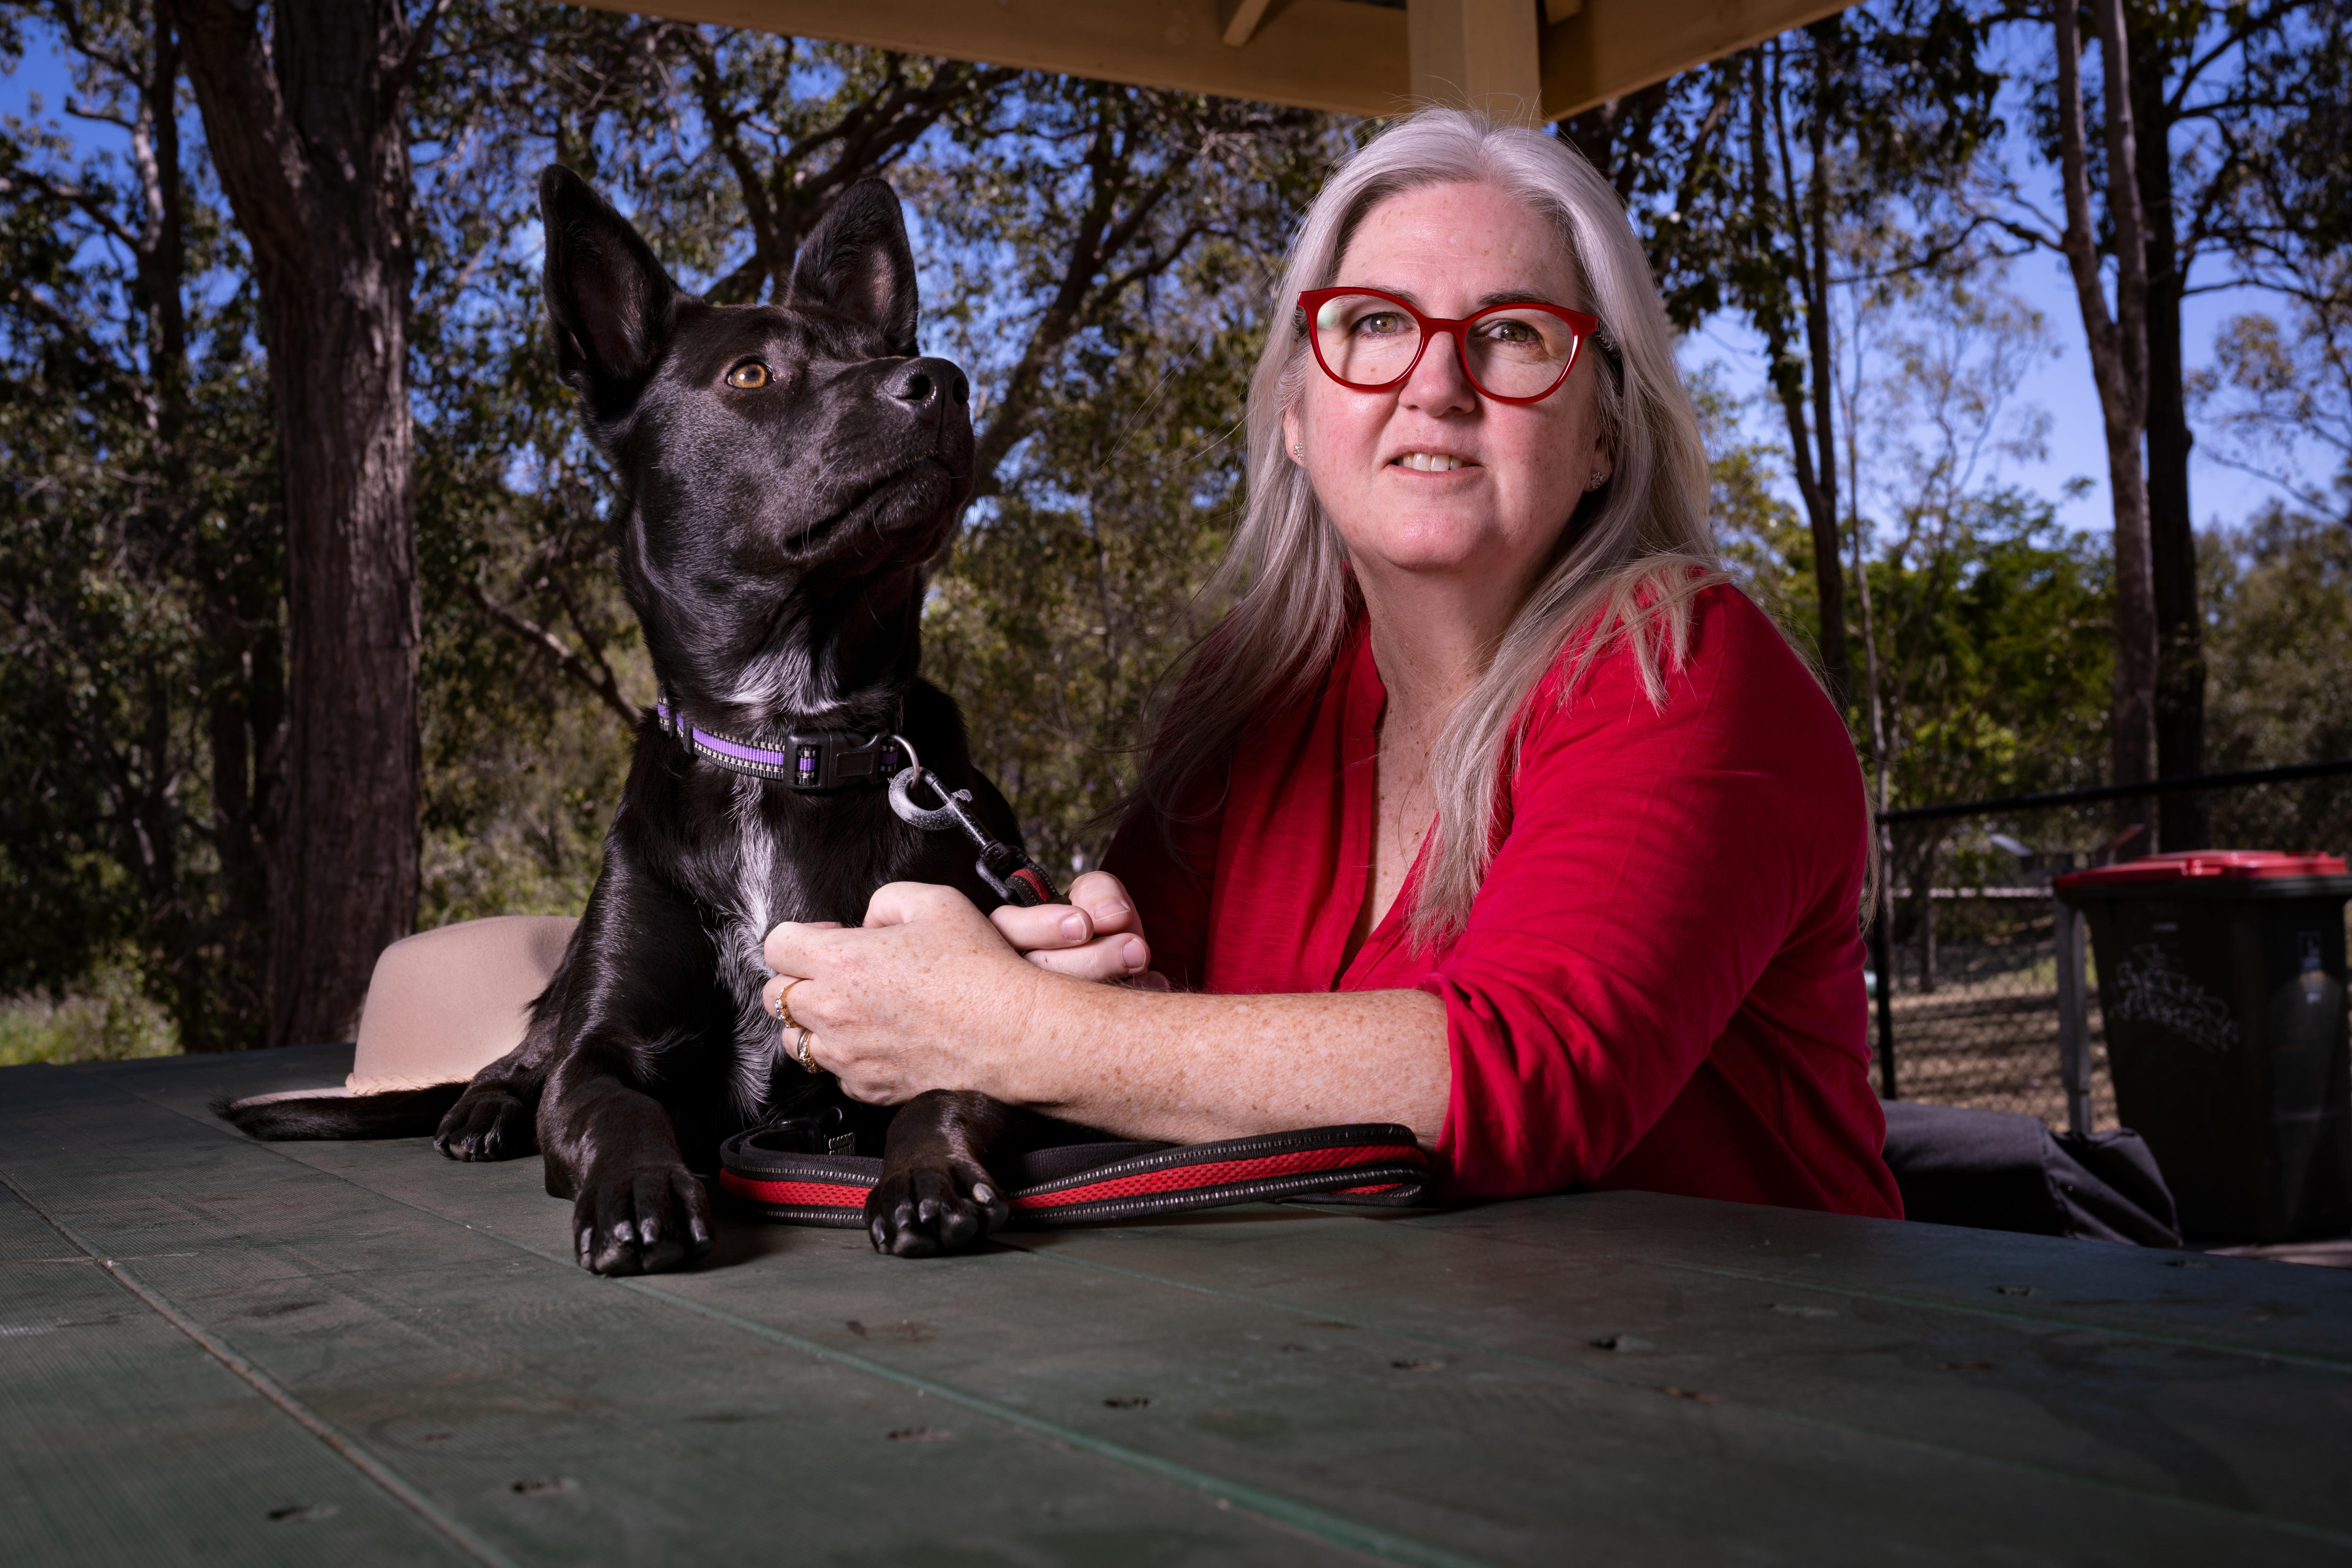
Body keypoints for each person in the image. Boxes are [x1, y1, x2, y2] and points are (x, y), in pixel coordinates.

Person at [761, 109, 1901, 1218]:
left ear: (1603, 427)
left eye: (1512, 332)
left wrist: (1002, 1026)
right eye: (1375, 323)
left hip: (1753, 1340)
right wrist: (1052, 969)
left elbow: (1532, 1079)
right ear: (1296, 413)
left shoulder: (1683, 661)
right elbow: (1142, 1028)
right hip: (1345, 1335)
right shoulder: (1254, 688)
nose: (1436, 384)